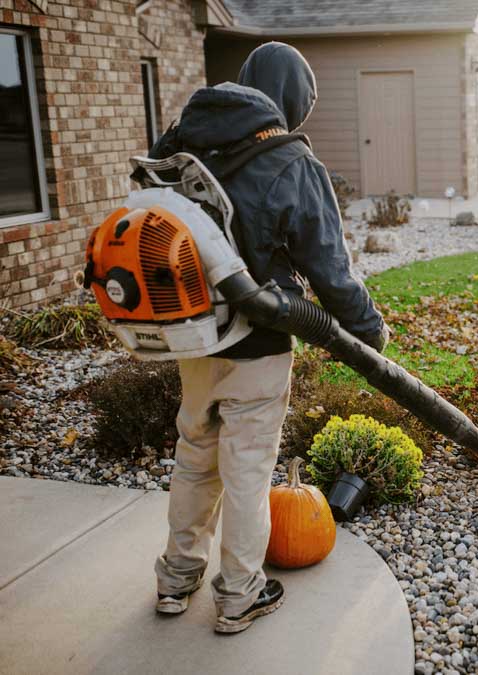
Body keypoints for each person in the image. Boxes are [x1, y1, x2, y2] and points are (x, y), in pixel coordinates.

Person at [149, 42, 387, 634]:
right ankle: (239, 595)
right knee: (249, 468)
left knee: (195, 455)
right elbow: (330, 272)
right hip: (257, 338)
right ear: (295, 100)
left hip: (192, 333)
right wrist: (368, 332)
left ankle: (176, 581)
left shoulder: (181, 141)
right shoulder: (290, 161)